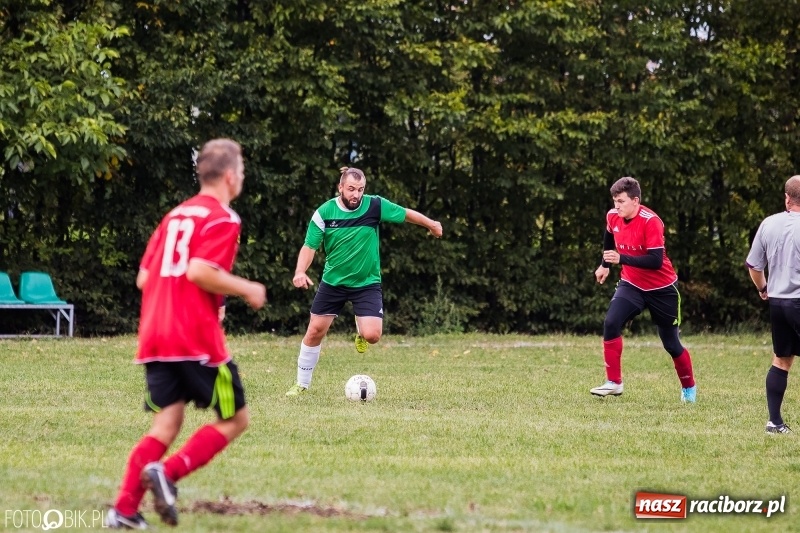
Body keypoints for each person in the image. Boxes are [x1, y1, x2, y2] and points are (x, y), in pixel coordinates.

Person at [105, 139, 267, 528]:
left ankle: (124, 510)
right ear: (230, 177)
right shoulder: (223, 218)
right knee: (235, 419)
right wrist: (247, 289)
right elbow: (199, 271)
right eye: (241, 171)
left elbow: (144, 278)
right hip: (194, 337)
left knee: (165, 425)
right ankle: (169, 473)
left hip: (155, 335)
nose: (241, 177)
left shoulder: (174, 216)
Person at [285, 167, 443, 396]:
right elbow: (310, 246)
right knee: (315, 331)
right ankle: (301, 384)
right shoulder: (324, 213)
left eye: (360, 190)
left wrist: (431, 223)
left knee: (372, 336)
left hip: (366, 283)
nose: (355, 195)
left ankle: (360, 329)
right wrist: (300, 271)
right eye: (350, 189)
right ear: (340, 188)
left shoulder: (374, 206)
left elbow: (405, 213)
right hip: (333, 283)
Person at [590, 177, 697, 402]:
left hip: (663, 289)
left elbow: (655, 260)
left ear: (636, 200)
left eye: (621, 201)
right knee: (611, 323)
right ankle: (614, 383)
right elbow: (609, 235)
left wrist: (621, 258)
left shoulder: (651, 221)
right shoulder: (613, 216)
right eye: (614, 201)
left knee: (671, 344)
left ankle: (689, 388)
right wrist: (605, 264)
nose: (616, 206)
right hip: (632, 285)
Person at [745, 174, 800, 435]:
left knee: (781, 359)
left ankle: (774, 422)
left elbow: (754, 266)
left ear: (787, 199)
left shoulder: (769, 224)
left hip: (778, 302)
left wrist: (763, 288)